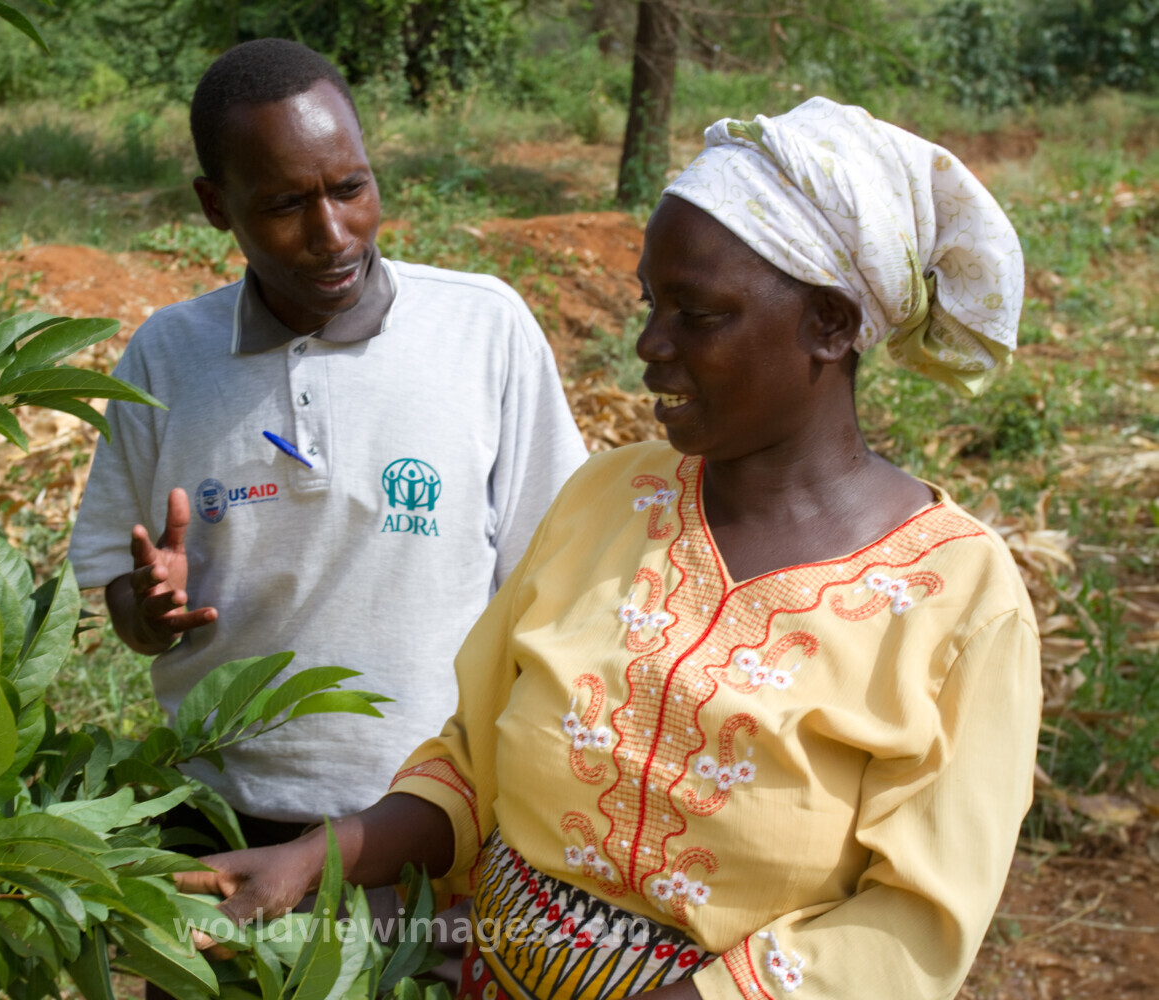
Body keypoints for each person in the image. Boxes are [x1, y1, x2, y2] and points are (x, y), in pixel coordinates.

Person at [176, 97, 1042, 1000]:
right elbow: (472, 761)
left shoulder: (956, 599)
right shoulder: (610, 497)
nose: (649, 345)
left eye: (697, 314)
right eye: (650, 303)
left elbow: (911, 925)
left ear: (828, 323)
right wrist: (316, 858)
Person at [68, 41, 587, 848]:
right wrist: (148, 611)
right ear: (215, 205)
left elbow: (558, 580)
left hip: (435, 820)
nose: (333, 233)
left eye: (351, 188)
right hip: (222, 816)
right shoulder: (167, 358)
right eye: (284, 204)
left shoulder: (483, 330)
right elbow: (124, 600)